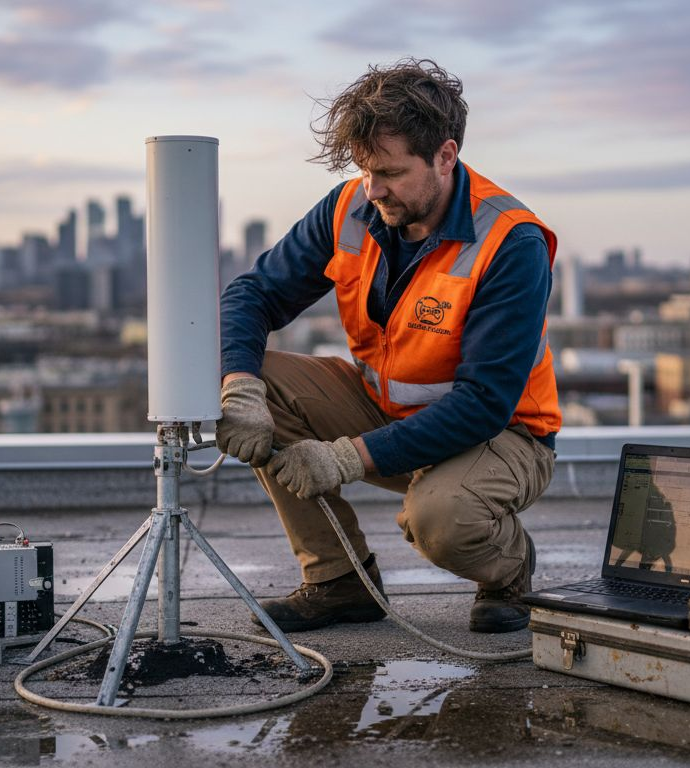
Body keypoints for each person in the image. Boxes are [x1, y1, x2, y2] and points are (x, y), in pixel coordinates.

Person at [216, 58, 559, 634]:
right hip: (389, 412)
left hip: (502, 435)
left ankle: (509, 570)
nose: (373, 189)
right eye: (365, 169)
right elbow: (252, 294)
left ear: (445, 156)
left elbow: (483, 403)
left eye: (392, 173)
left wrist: (347, 457)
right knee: (253, 377)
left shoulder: (510, 241)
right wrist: (239, 388)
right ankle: (339, 581)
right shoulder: (352, 205)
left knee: (442, 519)